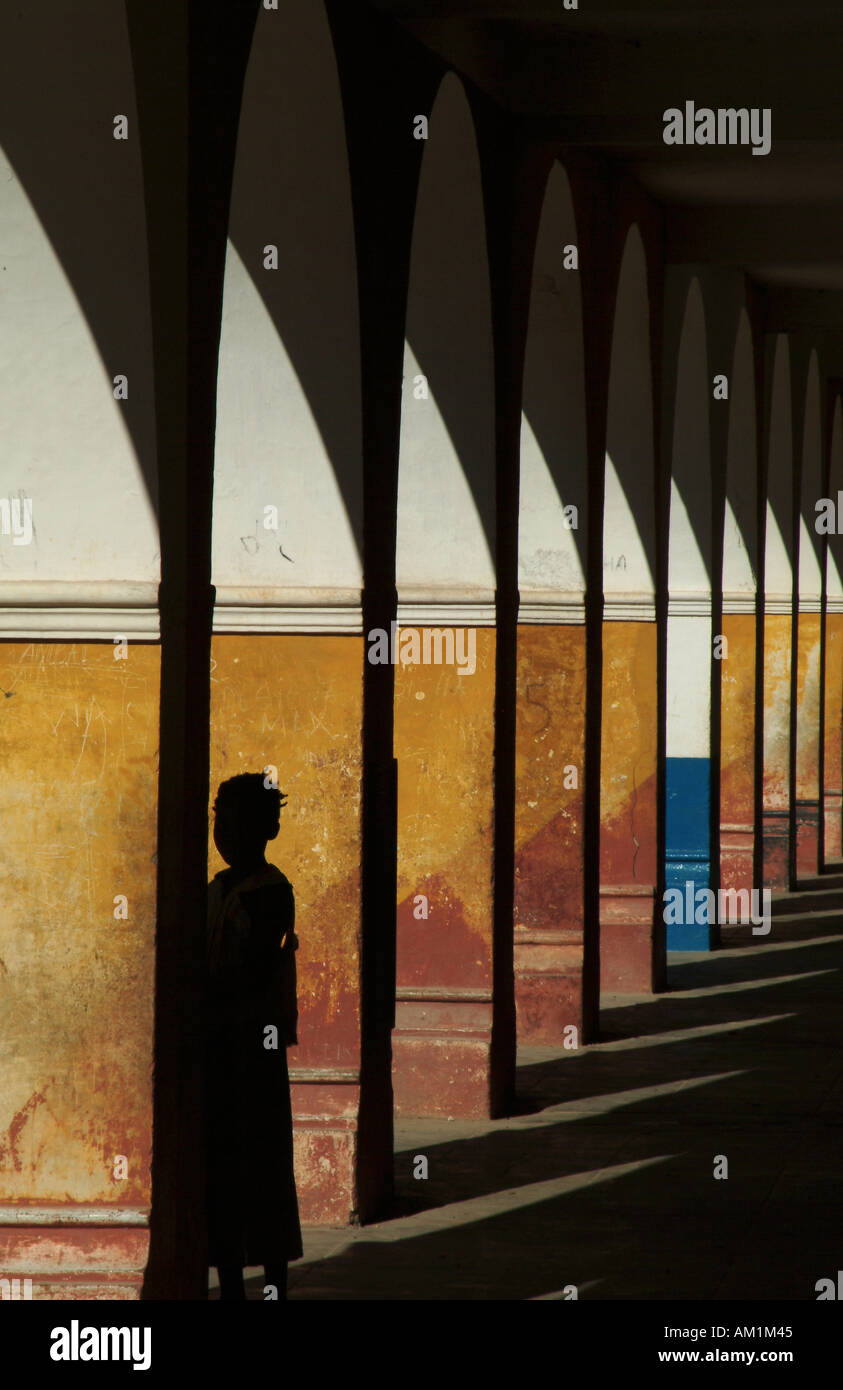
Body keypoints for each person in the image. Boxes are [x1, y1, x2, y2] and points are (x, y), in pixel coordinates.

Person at [205, 772, 303, 1300]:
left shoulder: (271, 892)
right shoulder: (216, 891)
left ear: (265, 828)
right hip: (221, 1050)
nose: (223, 831)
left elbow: (253, 971)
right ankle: (229, 1287)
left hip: (254, 1051)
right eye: (218, 818)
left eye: (234, 819)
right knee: (222, 1171)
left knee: (262, 1167)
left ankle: (272, 1285)